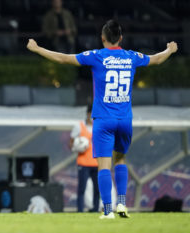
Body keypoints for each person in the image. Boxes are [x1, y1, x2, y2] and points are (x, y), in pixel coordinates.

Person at [27, 19, 178, 219]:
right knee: (121, 159)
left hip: (103, 119)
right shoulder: (131, 57)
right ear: (121, 38)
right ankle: (122, 204)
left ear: (102, 38)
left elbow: (63, 59)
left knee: (104, 165)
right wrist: (169, 50)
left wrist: (37, 49)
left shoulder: (97, 56)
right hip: (124, 119)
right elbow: (157, 59)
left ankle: (108, 210)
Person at [70, 104, 99, 212]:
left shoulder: (99, 126)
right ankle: (80, 210)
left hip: (97, 163)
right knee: (82, 189)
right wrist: (77, 147)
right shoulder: (79, 126)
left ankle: (95, 209)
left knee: (98, 189)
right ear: (87, 113)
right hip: (83, 163)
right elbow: (71, 143)